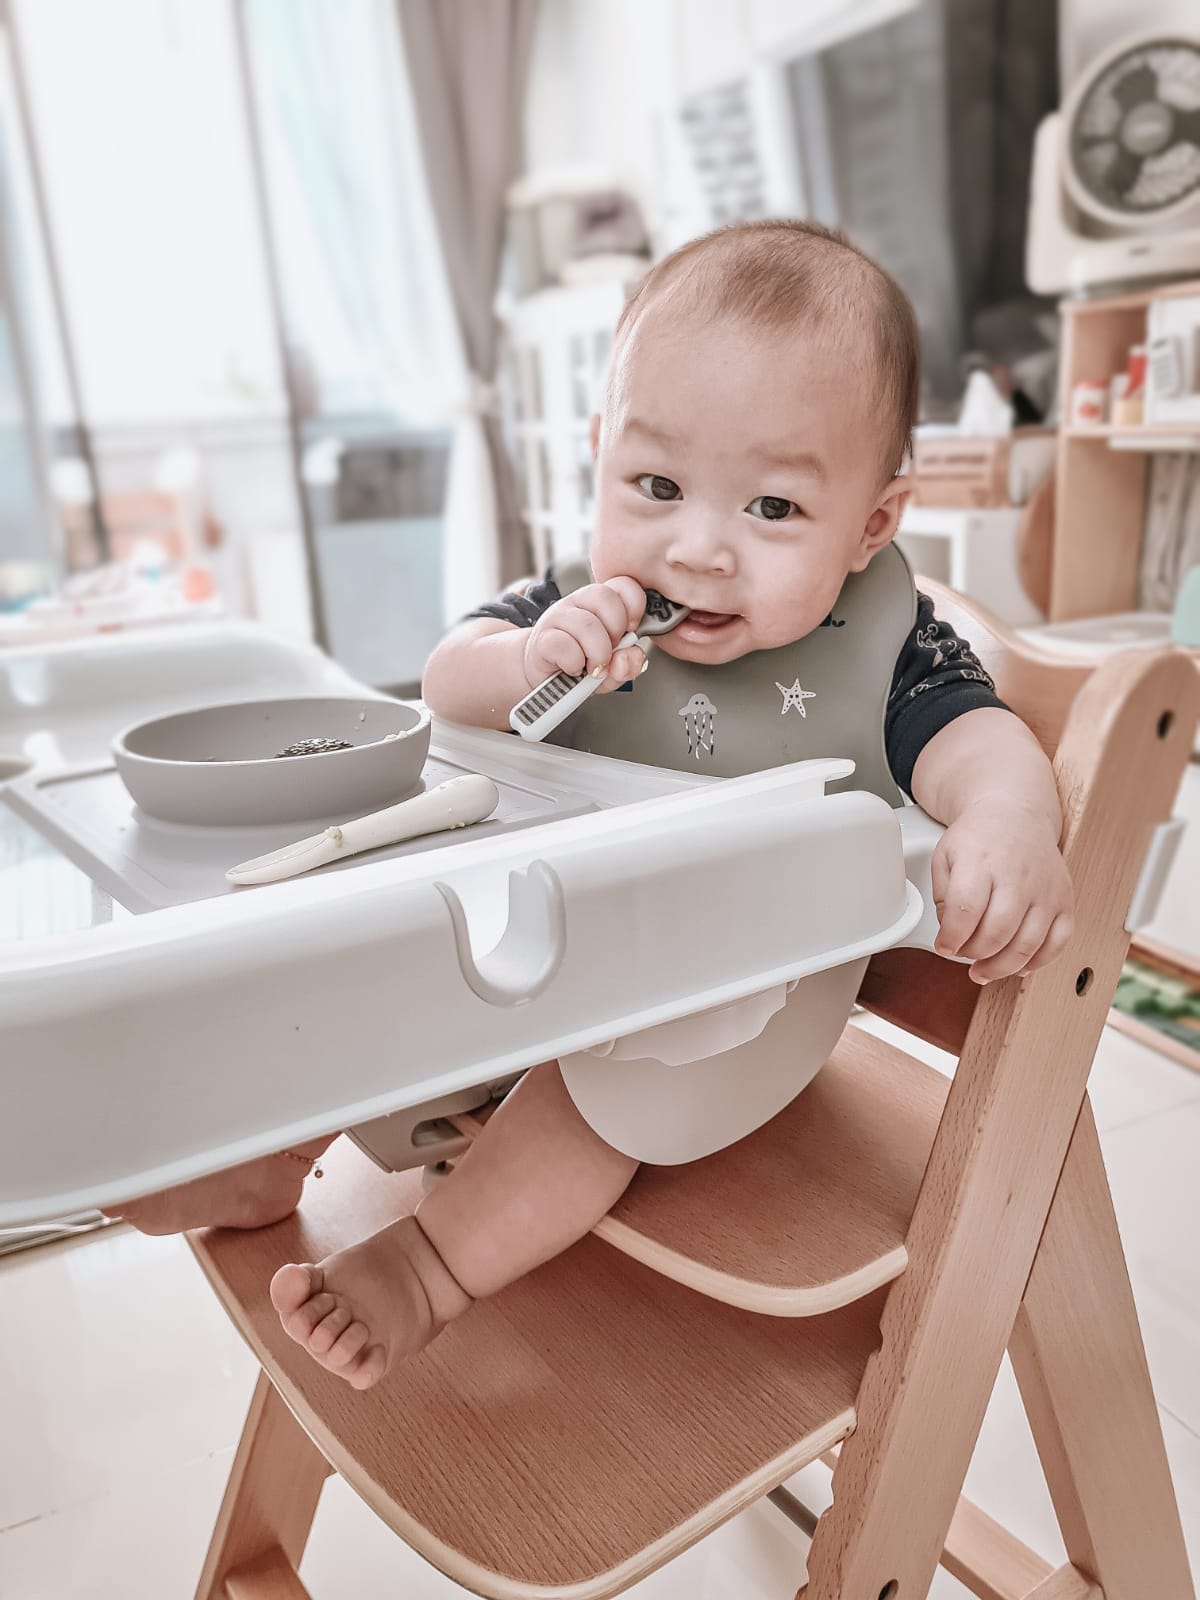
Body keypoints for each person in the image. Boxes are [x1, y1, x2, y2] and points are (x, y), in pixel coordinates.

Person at [115, 221, 1075, 1392]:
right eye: (657, 486)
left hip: (738, 978)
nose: (699, 547)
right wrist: (526, 660)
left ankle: (427, 1268)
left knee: (600, 1096)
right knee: (374, 970)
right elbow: (445, 683)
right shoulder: (577, 607)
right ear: (599, 457)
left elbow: (982, 741)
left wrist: (1009, 820)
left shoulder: (883, 646)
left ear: (872, 526)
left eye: (772, 508)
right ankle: (270, 1154)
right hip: (558, 934)